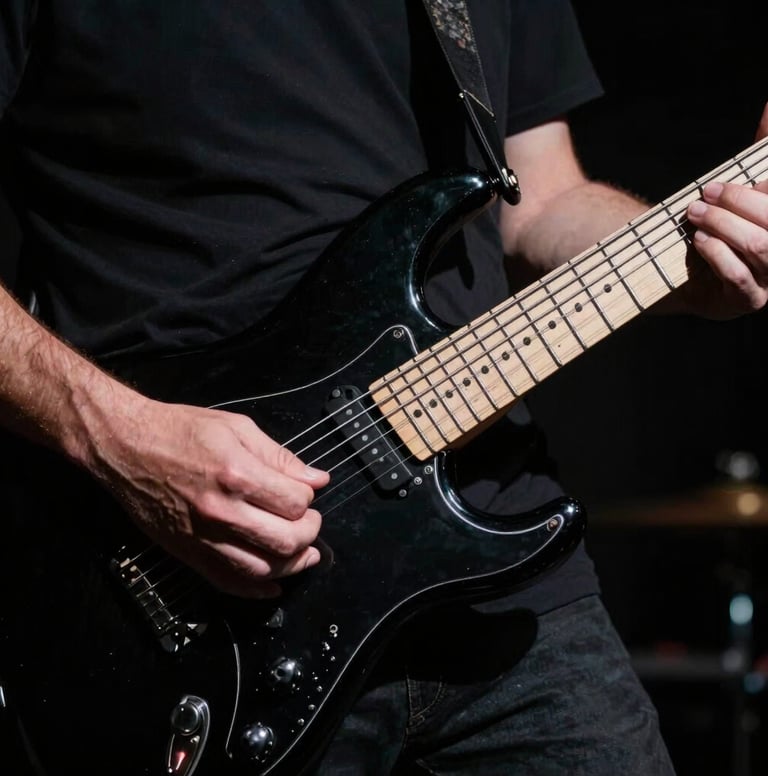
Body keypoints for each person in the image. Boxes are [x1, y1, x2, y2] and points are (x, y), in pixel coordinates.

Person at [0, 1, 766, 774]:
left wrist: (691, 259)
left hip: (485, 548)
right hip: (184, 586)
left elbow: (541, 203)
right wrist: (121, 440)